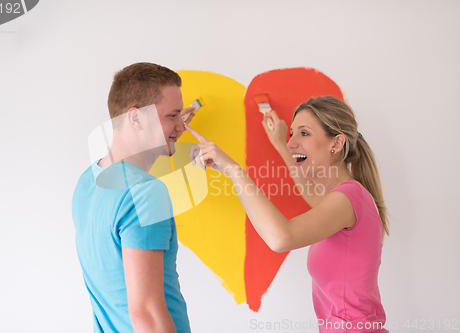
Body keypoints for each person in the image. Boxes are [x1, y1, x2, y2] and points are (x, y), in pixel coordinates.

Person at [185, 96, 389, 332]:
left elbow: (281, 237)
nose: (292, 141)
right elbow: (310, 193)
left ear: (336, 143)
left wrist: (234, 170)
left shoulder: (347, 199)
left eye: (304, 133)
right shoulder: (341, 199)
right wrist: (281, 145)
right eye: (292, 133)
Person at [72, 62, 194, 333]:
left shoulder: (88, 181)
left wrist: (167, 127)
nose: (182, 126)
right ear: (136, 118)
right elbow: (146, 314)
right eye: (173, 116)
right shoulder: (145, 193)